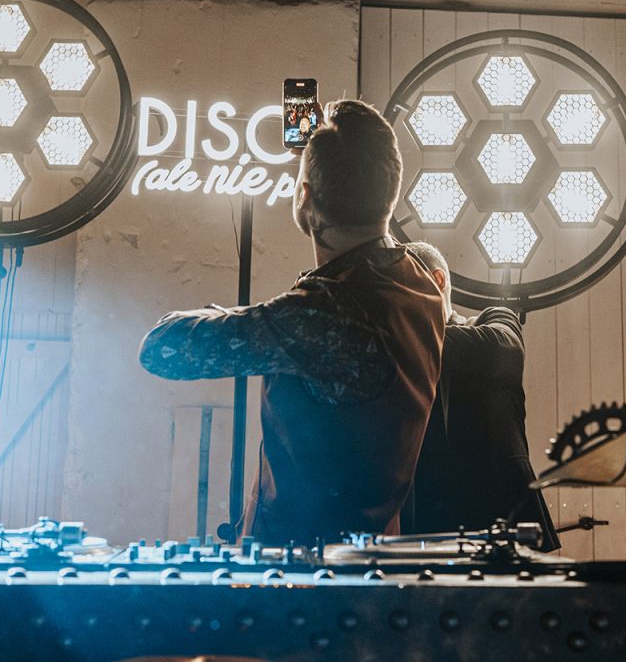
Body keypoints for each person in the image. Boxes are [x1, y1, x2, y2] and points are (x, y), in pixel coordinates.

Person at [139, 100, 445, 544]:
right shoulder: (418, 281)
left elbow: (161, 349)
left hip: (297, 564)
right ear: (389, 192)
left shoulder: (322, 315)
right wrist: (327, 166)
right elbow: (366, 217)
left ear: (304, 197)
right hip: (371, 554)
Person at [401, 240, 559, 551]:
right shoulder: (402, 346)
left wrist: (397, 334)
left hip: (502, 511)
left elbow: (500, 349)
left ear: (437, 280)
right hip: (426, 520)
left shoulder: (494, 320)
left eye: (401, 288)